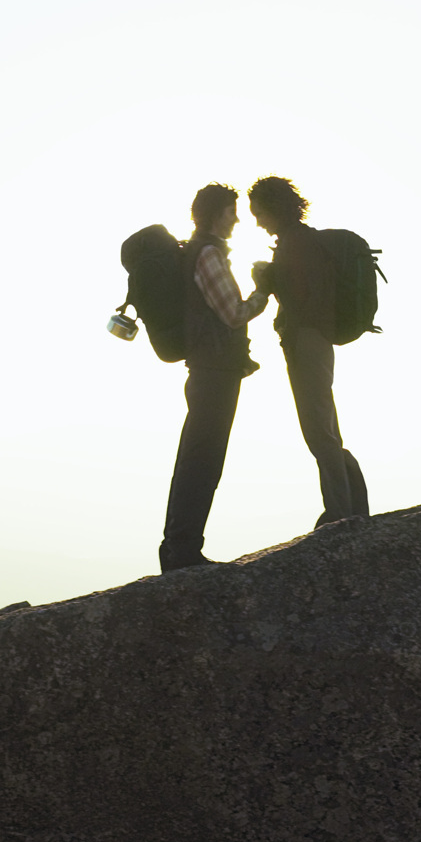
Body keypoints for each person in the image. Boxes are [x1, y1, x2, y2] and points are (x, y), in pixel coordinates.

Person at [159, 183, 269, 572]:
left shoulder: (199, 251)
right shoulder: (208, 254)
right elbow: (233, 313)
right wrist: (263, 293)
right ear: (216, 213)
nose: (237, 219)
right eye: (231, 211)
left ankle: (179, 545)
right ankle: (183, 548)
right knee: (203, 459)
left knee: (196, 456)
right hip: (215, 370)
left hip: (208, 368)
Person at [247, 175, 369, 529]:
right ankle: (351, 505)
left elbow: (305, 297)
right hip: (314, 339)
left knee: (318, 429)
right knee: (325, 425)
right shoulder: (300, 240)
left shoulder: (297, 244)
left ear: (273, 209)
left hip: (307, 341)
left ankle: (341, 513)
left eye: (259, 212)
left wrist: (267, 281)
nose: (257, 221)